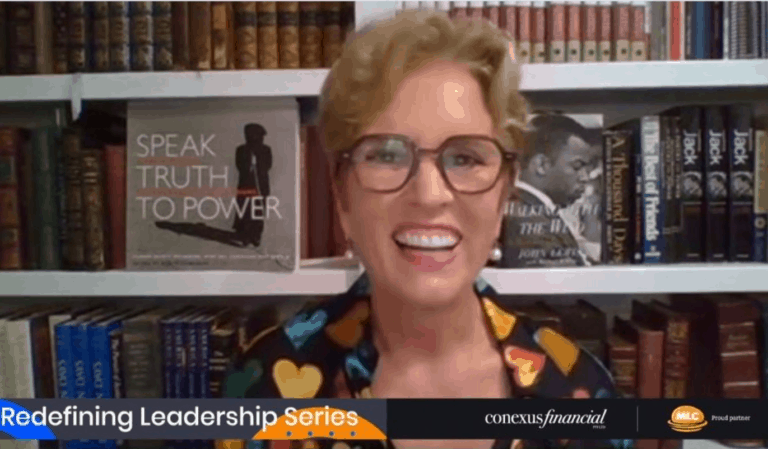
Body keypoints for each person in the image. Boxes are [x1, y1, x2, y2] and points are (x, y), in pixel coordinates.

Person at [223, 10, 631, 449]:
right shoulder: (263, 387)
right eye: (386, 155)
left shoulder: (580, 389)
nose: (430, 195)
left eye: (466, 158)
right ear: (342, 196)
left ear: (504, 195)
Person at [503, 114, 603, 267]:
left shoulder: (533, 211)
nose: (585, 177)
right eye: (577, 166)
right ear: (542, 165)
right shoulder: (525, 220)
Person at [233, 123, 272, 247]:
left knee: (258, 211)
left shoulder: (265, 150)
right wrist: (249, 164)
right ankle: (244, 235)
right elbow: (240, 166)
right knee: (245, 210)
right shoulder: (241, 150)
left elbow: (268, 166)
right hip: (246, 186)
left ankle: (256, 235)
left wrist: (257, 163)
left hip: (260, 186)